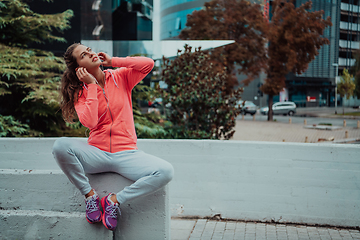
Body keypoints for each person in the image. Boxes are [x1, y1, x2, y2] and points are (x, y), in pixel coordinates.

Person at [52, 43, 174, 231]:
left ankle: (113, 201)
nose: (91, 54)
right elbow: (91, 123)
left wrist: (113, 61)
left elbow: (148, 64)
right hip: (97, 154)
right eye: (84, 55)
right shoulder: (81, 94)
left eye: (89, 50)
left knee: (165, 171)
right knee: (60, 146)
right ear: (79, 68)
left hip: (127, 154)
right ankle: (90, 196)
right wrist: (91, 86)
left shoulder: (121, 77)